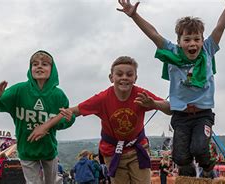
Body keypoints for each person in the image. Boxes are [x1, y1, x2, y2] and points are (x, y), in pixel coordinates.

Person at [117, 0, 225, 178]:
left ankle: (208, 168)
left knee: (199, 148)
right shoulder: (171, 52)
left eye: (197, 39)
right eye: (187, 40)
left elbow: (221, 25)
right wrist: (134, 15)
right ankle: (187, 179)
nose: (192, 44)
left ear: (203, 41)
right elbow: (153, 34)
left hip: (203, 114)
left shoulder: (208, 50)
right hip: (180, 115)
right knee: (180, 157)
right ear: (179, 41)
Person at [27, 56, 172, 184]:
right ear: (111, 77)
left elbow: (169, 108)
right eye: (119, 74)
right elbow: (73, 111)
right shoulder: (102, 99)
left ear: (135, 78)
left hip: (137, 149)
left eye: (129, 74)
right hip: (113, 151)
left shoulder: (141, 95)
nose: (124, 78)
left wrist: (154, 104)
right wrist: (45, 126)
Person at [0, 50, 76, 184]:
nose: (39, 67)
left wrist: (68, 118)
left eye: (44, 64)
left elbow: (64, 121)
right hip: (27, 149)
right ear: (30, 68)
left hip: (48, 149)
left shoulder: (58, 95)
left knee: (54, 182)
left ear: (52, 69)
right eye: (35, 64)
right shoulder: (19, 91)